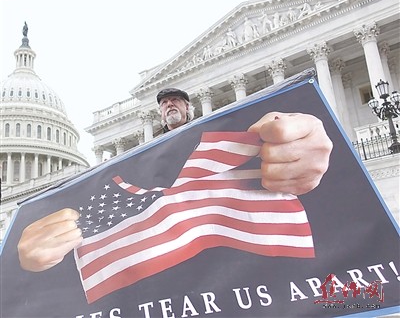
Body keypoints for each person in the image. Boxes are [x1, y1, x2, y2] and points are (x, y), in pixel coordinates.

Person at [18, 87, 333, 272]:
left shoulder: (216, 134)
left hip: (219, 237)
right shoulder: (142, 153)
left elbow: (260, 147)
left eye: (176, 101)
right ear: (159, 113)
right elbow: (111, 192)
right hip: (174, 246)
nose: (170, 105)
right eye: (165, 102)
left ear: (188, 107)